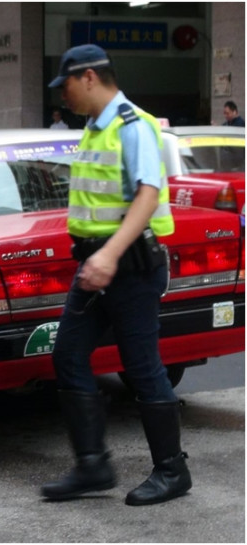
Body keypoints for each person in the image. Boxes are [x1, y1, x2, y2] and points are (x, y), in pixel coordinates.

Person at [41, 44, 191, 507]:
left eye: (65, 84)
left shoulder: (132, 126)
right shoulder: (93, 128)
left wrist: (108, 255)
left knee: (142, 366)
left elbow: (148, 194)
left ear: (88, 77)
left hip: (128, 267)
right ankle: (93, 466)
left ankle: (172, 471)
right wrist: (96, 258)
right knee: (68, 354)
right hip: (95, 265)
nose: (62, 95)